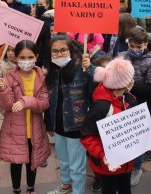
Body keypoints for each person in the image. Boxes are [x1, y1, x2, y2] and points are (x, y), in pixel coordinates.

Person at [0, 40, 51, 194]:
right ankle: (16, 189)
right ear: (16, 58)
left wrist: (26, 101)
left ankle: (31, 189)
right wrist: (3, 90)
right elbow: (7, 106)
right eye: (22, 58)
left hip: (35, 129)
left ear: (36, 56)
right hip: (14, 129)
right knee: (16, 162)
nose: (26, 61)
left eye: (30, 57)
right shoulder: (9, 77)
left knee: (33, 161)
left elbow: (44, 104)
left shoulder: (41, 77)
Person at [80, 58, 145, 194]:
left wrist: (148, 140)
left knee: (124, 189)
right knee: (109, 189)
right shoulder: (101, 107)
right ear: (126, 84)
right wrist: (102, 154)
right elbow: (87, 136)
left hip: (126, 162)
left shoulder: (129, 99)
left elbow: (138, 128)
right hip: (108, 165)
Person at [45, 34, 94, 194]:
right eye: (55, 51)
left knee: (77, 165)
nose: (59, 54)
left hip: (76, 126)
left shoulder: (82, 69)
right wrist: (49, 124)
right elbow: (49, 100)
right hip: (59, 125)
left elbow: (96, 90)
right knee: (64, 161)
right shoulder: (51, 72)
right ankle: (65, 185)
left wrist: (91, 69)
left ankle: (78, 191)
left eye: (63, 50)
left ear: (70, 51)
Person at [120, 27, 151, 185]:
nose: (135, 50)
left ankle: (136, 168)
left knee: (138, 142)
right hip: (123, 105)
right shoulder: (123, 57)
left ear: (146, 45)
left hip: (142, 108)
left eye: (139, 47)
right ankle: (125, 164)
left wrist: (131, 86)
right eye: (132, 46)